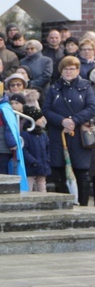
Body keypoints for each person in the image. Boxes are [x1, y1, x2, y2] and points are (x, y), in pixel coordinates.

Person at [43, 56, 95, 206]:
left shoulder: (86, 87)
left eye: (72, 68)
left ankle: (83, 205)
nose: (68, 71)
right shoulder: (54, 88)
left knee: (81, 171)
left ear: (78, 70)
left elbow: (92, 107)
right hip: (58, 134)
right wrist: (62, 121)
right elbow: (46, 109)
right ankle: (63, 204)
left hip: (79, 135)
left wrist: (74, 121)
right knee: (59, 170)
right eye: (65, 69)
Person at [9, 94, 50, 192]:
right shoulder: (26, 135)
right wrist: (33, 161)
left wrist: (46, 161)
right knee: (29, 183)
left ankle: (43, 199)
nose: (42, 120)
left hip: (42, 165)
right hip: (31, 166)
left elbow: (48, 148)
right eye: (40, 119)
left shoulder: (43, 134)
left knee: (41, 183)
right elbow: (24, 149)